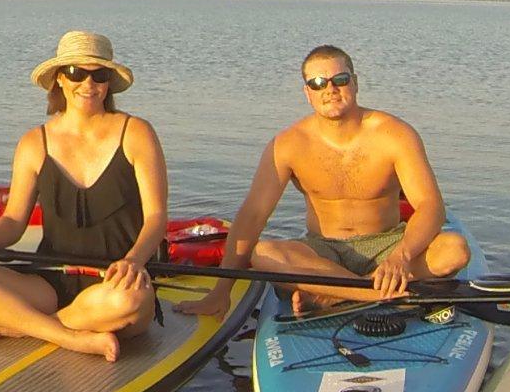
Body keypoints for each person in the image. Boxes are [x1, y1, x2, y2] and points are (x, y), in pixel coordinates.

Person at [180, 44, 469, 318]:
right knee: (263, 253)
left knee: (454, 249)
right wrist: (221, 292)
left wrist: (401, 257)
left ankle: (335, 294)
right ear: (307, 92)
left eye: (339, 79)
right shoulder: (289, 144)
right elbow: (252, 216)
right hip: (322, 252)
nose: (329, 89)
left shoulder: (395, 134)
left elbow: (430, 205)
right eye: (318, 83)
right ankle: (370, 292)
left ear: (354, 83)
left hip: (388, 244)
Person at [0, 31, 164, 362]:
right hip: (51, 282)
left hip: (114, 286)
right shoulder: (33, 143)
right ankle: (70, 336)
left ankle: (26, 327)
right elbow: (14, 221)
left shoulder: (137, 133)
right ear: (59, 79)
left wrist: (133, 260)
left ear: (109, 82)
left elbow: (157, 216)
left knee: (130, 302)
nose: (88, 84)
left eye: (99, 75)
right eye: (76, 73)